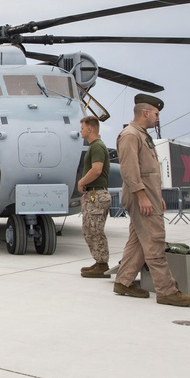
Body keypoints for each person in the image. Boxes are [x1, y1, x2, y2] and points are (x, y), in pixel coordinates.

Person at [113, 95, 190, 307]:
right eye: (156, 114)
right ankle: (167, 291)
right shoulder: (131, 135)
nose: (157, 119)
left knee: (139, 242)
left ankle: (123, 281)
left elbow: (149, 171)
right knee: (155, 241)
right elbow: (130, 170)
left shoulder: (141, 135)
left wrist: (156, 196)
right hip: (141, 197)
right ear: (146, 113)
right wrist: (142, 196)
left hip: (148, 196)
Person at [77, 116, 112, 278]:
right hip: (93, 193)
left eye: (82, 128)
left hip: (97, 194)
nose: (81, 131)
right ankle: (99, 262)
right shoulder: (94, 146)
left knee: (95, 231)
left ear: (90, 129)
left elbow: (97, 169)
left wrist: (81, 182)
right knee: (89, 230)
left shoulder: (97, 147)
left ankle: (102, 264)